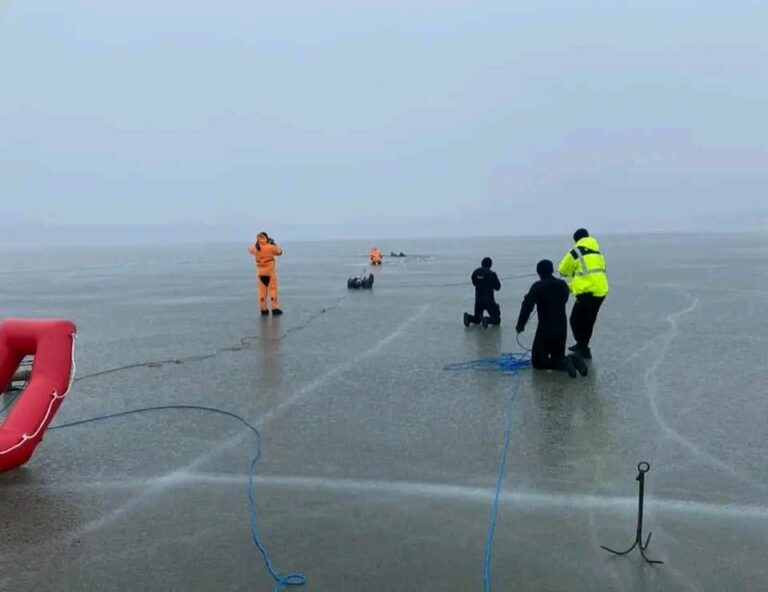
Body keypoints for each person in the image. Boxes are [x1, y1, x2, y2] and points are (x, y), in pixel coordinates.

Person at [516, 260, 588, 378]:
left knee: (537, 363)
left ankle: (567, 362)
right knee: (557, 357)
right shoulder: (562, 284)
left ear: (538, 272)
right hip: (561, 327)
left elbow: (527, 306)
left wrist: (520, 325)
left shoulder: (538, 286)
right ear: (551, 270)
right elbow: (564, 299)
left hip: (546, 328)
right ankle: (572, 359)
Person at [558, 228, 609, 360]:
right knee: (589, 320)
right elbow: (589, 276)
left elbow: (563, 271)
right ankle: (582, 346)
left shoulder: (576, 252)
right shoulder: (598, 253)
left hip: (587, 293)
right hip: (600, 292)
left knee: (575, 320)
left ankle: (583, 349)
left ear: (576, 240)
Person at [248, 232, 283, 316]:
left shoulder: (255, 248)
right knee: (273, 290)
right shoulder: (271, 247)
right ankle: (274, 309)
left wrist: (257, 244)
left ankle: (263, 310)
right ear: (267, 238)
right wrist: (274, 244)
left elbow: (250, 249)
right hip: (270, 273)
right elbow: (279, 252)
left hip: (260, 274)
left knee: (262, 292)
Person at [463, 257, 501, 328]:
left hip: (478, 300)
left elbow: (474, 282)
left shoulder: (475, 272)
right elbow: (498, 287)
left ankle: (468, 317)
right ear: (490, 265)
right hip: (489, 300)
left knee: (477, 319)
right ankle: (486, 319)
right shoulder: (492, 274)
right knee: (497, 320)